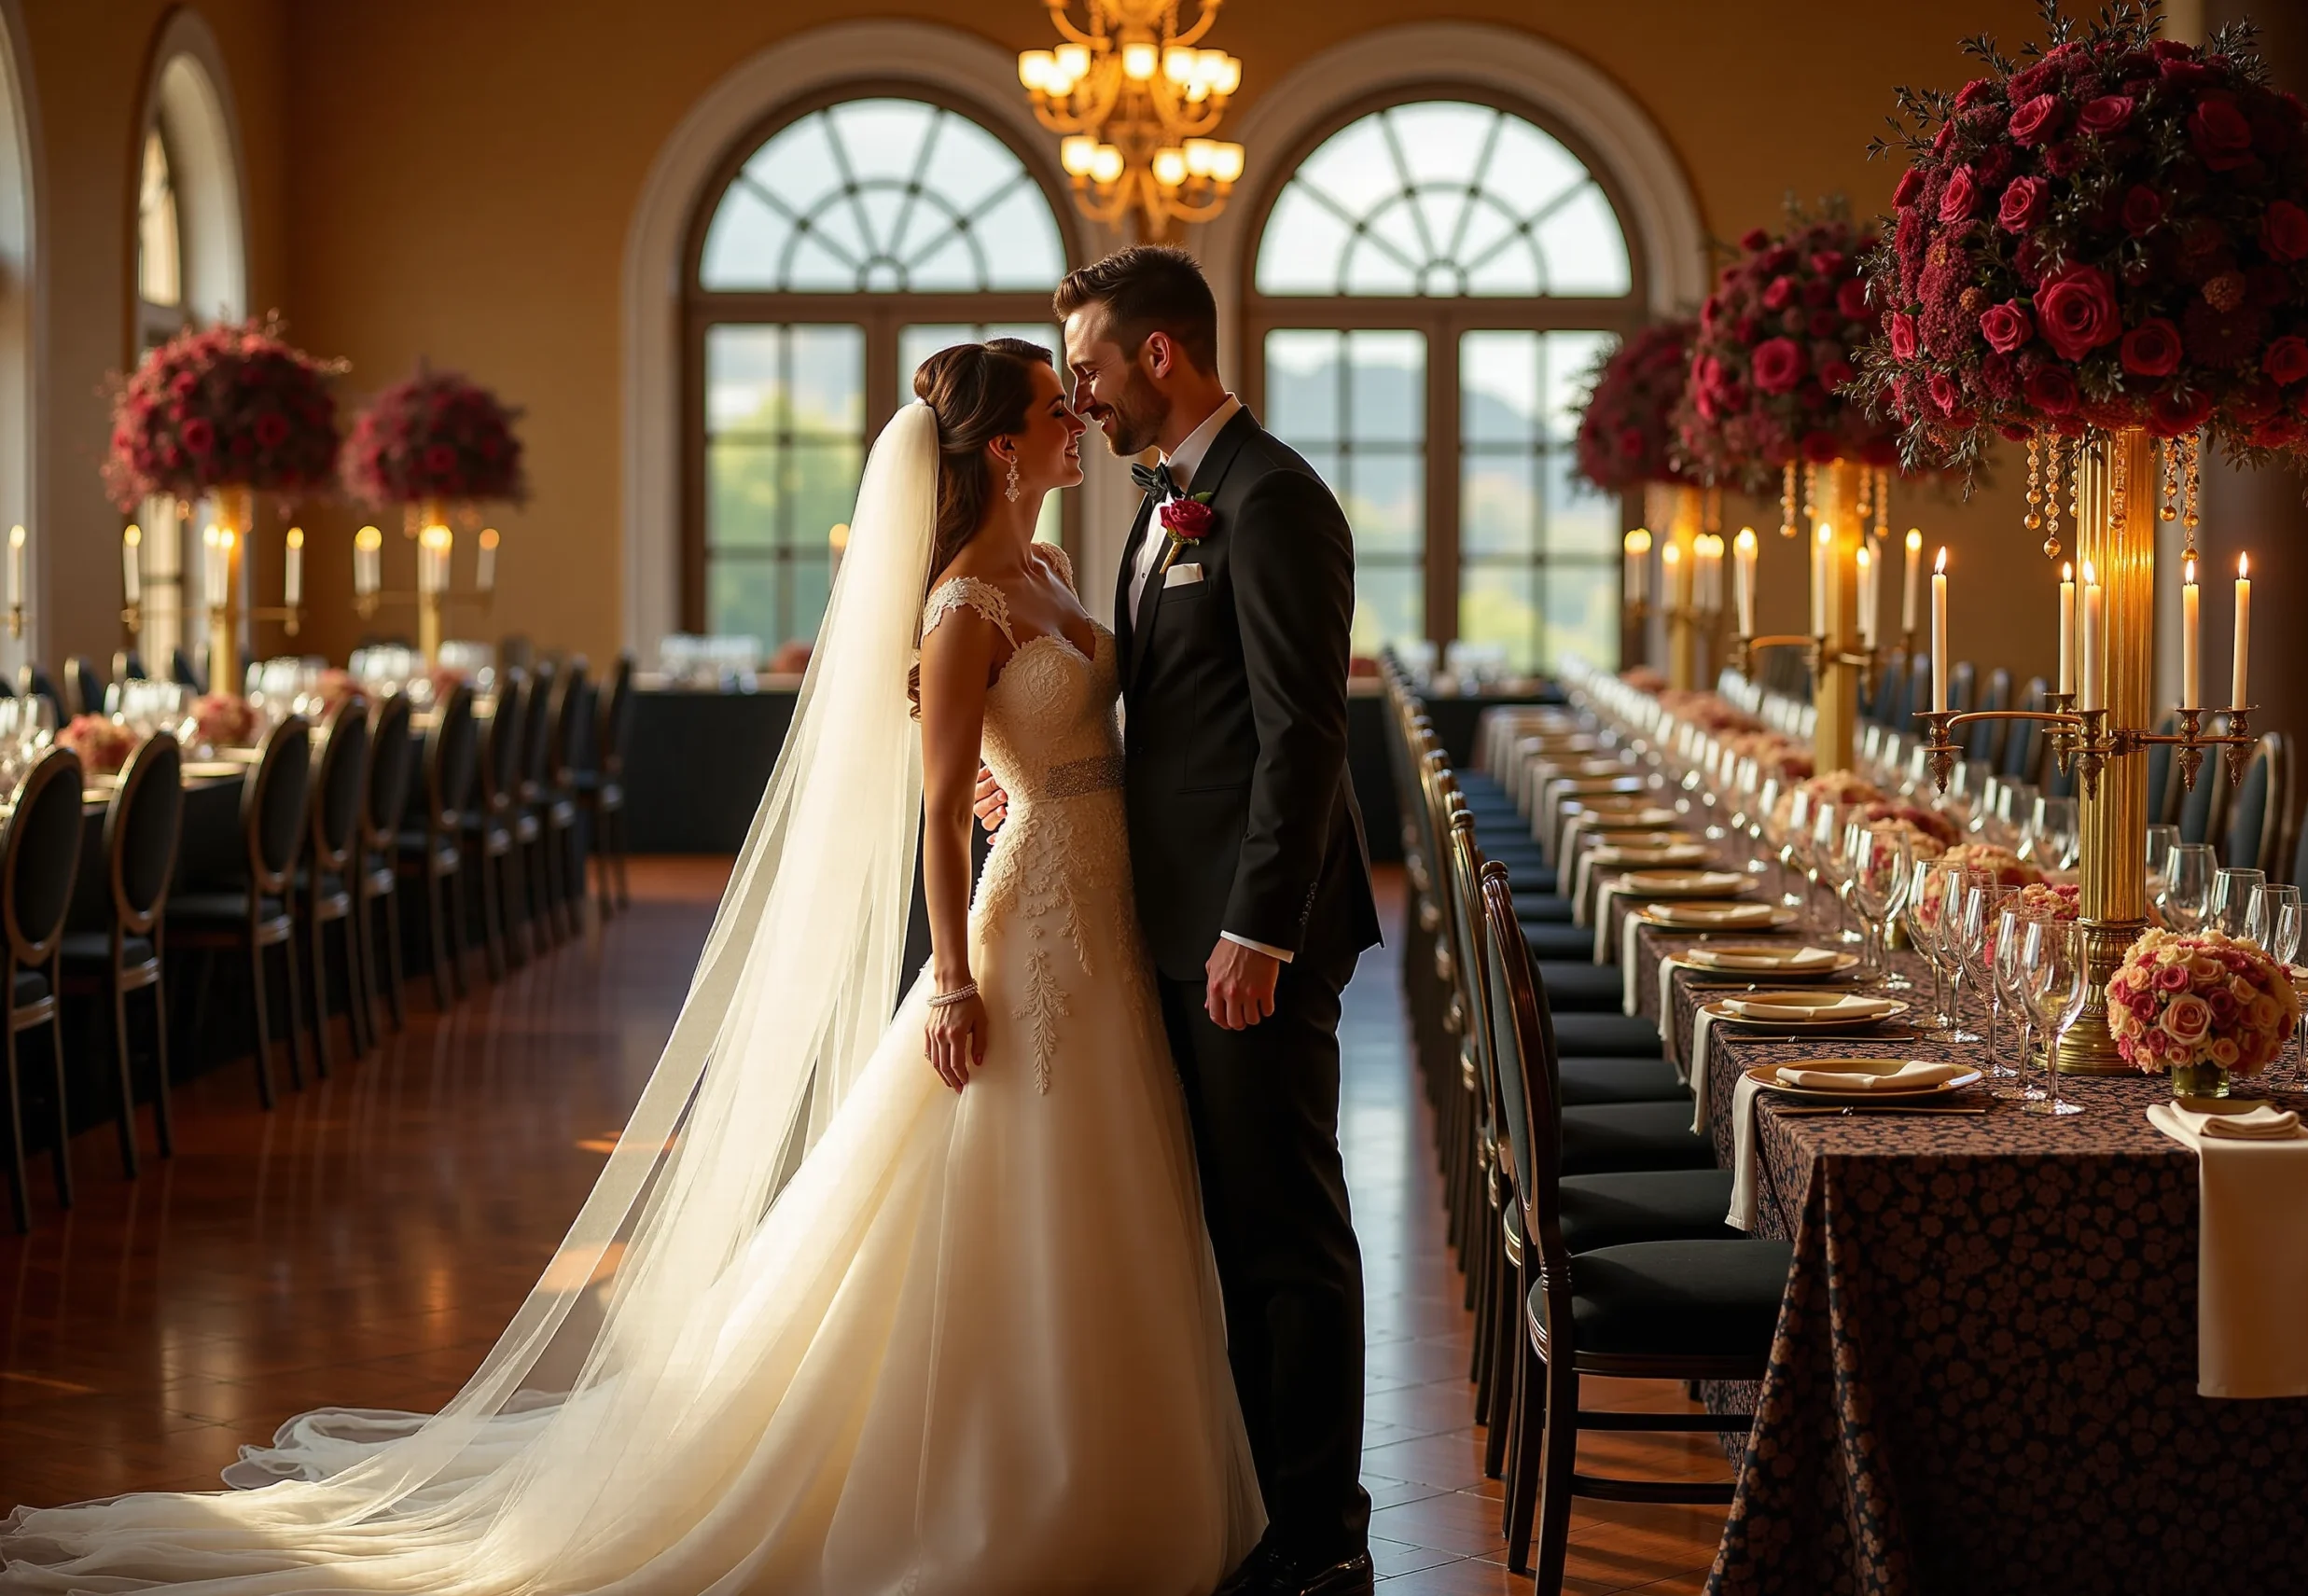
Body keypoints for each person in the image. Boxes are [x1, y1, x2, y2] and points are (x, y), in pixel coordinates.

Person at [0, 340, 1262, 1594]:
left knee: (1104, 1179)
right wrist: (948, 975)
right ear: (1002, 446)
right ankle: (1000, 1484)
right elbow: (939, 811)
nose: (1078, 419)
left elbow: (1069, 734)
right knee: (1001, 1182)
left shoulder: (1043, 568)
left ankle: (1114, 1461)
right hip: (1021, 928)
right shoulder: (957, 610)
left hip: (1100, 924)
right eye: (1056, 408)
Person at [984, 245, 1382, 1596]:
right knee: (1223, 1222)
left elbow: (1304, 738)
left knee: (1286, 1227)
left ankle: (1323, 1532)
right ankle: (1263, 1497)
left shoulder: (1271, 502)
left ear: (1161, 354)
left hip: (1246, 935)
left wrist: (1257, 930)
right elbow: (1164, 717)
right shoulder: (1166, 510)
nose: (1078, 395)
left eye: (1088, 365)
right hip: (1167, 921)